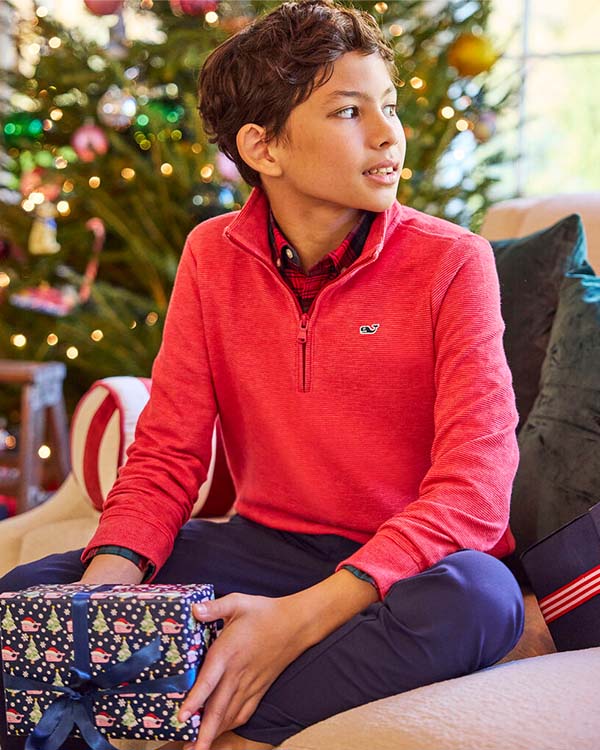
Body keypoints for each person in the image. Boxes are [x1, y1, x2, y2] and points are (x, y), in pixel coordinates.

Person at [0, 2, 525, 749]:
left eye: (391, 107)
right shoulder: (211, 257)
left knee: (483, 600)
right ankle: (207, 683)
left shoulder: (453, 263)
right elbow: (168, 454)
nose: (388, 135)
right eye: (350, 111)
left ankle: (214, 704)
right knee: (27, 599)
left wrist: (292, 623)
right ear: (263, 147)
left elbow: (476, 489)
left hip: (408, 568)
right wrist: (100, 598)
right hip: (265, 545)